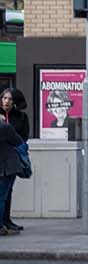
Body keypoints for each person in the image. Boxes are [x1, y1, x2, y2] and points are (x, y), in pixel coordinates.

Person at [0, 89, 28, 232]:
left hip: (11, 157)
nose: (6, 102)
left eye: (10, 99)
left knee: (7, 191)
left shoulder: (21, 117)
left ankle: (6, 220)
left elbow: (23, 138)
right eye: (4, 98)